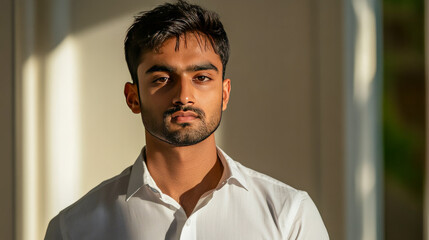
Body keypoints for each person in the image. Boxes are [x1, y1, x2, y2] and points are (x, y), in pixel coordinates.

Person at [45, 1, 329, 239]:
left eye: (202, 78)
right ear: (133, 97)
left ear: (224, 94)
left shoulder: (289, 216)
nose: (184, 95)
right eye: (162, 78)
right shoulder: (73, 229)